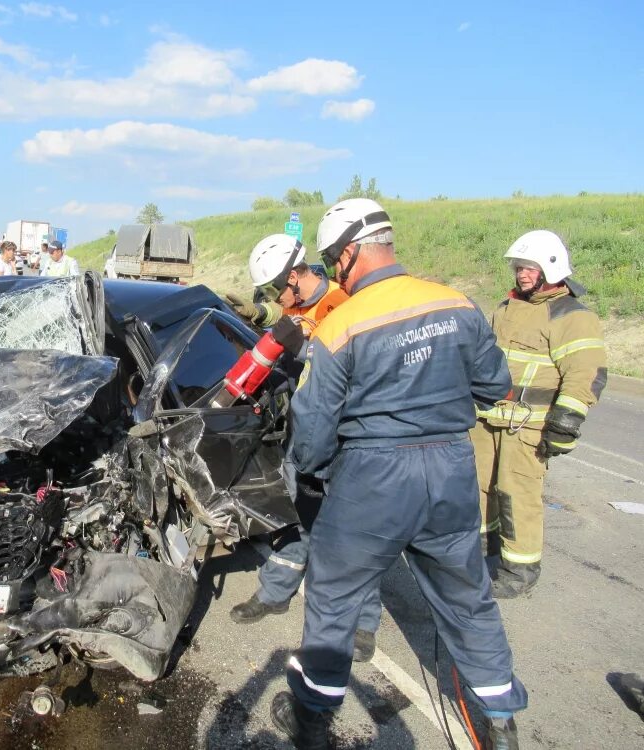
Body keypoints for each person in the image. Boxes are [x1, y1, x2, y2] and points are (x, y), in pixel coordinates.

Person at [274, 199, 527, 749]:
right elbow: (493, 385)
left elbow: (312, 426)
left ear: (350, 253)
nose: (334, 268)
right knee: (467, 598)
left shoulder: (341, 325)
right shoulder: (456, 303)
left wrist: (311, 477)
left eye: (334, 258)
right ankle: (502, 724)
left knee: (335, 594)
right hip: (451, 469)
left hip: (375, 475)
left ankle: (313, 721)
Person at [225, 234, 381, 663]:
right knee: (295, 520)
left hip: (347, 438)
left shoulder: (347, 303)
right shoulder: (298, 306)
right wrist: (260, 315)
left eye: (280, 288)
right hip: (305, 432)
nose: (280, 298)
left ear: (295, 275)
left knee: (355, 532)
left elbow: (355, 365)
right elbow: (280, 327)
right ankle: (276, 594)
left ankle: (364, 622)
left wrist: (305, 349)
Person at [472, 230, 606, 599]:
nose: (521, 274)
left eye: (529, 268)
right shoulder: (506, 307)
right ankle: (483, 554)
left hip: (528, 426)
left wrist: (566, 423)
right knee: (479, 489)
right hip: (488, 419)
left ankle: (520, 570)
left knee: (517, 494)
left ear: (551, 267)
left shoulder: (572, 316)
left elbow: (586, 373)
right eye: (518, 267)